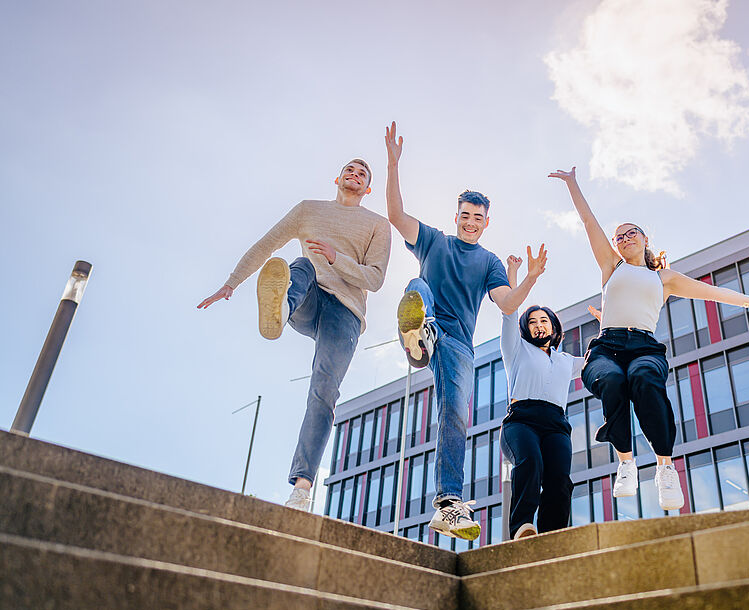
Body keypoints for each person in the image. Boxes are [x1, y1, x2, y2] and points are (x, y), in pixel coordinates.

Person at [549, 166, 749, 510]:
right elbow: (589, 223)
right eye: (619, 237)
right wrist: (573, 184)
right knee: (613, 381)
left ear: (645, 239)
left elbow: (711, 292)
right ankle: (626, 462)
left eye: (630, 234)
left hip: (644, 346)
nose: (623, 239)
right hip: (607, 348)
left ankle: (665, 467)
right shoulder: (611, 266)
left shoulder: (664, 277)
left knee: (644, 379)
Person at [198, 159, 391, 511]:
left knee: (324, 389)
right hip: (308, 296)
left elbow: (375, 279)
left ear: (367, 189)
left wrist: (336, 258)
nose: (355, 174)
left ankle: (301, 489)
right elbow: (265, 245)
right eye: (350, 169)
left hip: (346, 313)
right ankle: (283, 309)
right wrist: (230, 284)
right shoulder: (308, 210)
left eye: (363, 174)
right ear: (337, 178)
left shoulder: (377, 225)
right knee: (297, 265)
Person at [384, 121, 544, 540]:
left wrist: (529, 279)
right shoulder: (435, 241)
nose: (470, 223)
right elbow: (397, 217)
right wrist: (393, 164)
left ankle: (449, 505)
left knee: (455, 414)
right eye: (465, 216)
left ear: (486, 223)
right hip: (431, 321)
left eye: (478, 218)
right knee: (418, 285)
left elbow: (508, 304)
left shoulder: (489, 261)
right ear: (455, 217)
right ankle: (418, 334)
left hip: (458, 346)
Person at [499, 247, 584, 540]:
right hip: (521, 421)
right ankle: (522, 527)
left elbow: (596, 360)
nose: (538, 325)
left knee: (560, 480)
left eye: (544, 321)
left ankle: (553, 536)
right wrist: (523, 276)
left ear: (554, 327)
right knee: (531, 463)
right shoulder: (516, 349)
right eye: (532, 321)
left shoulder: (566, 360)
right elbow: (509, 311)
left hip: (556, 425)